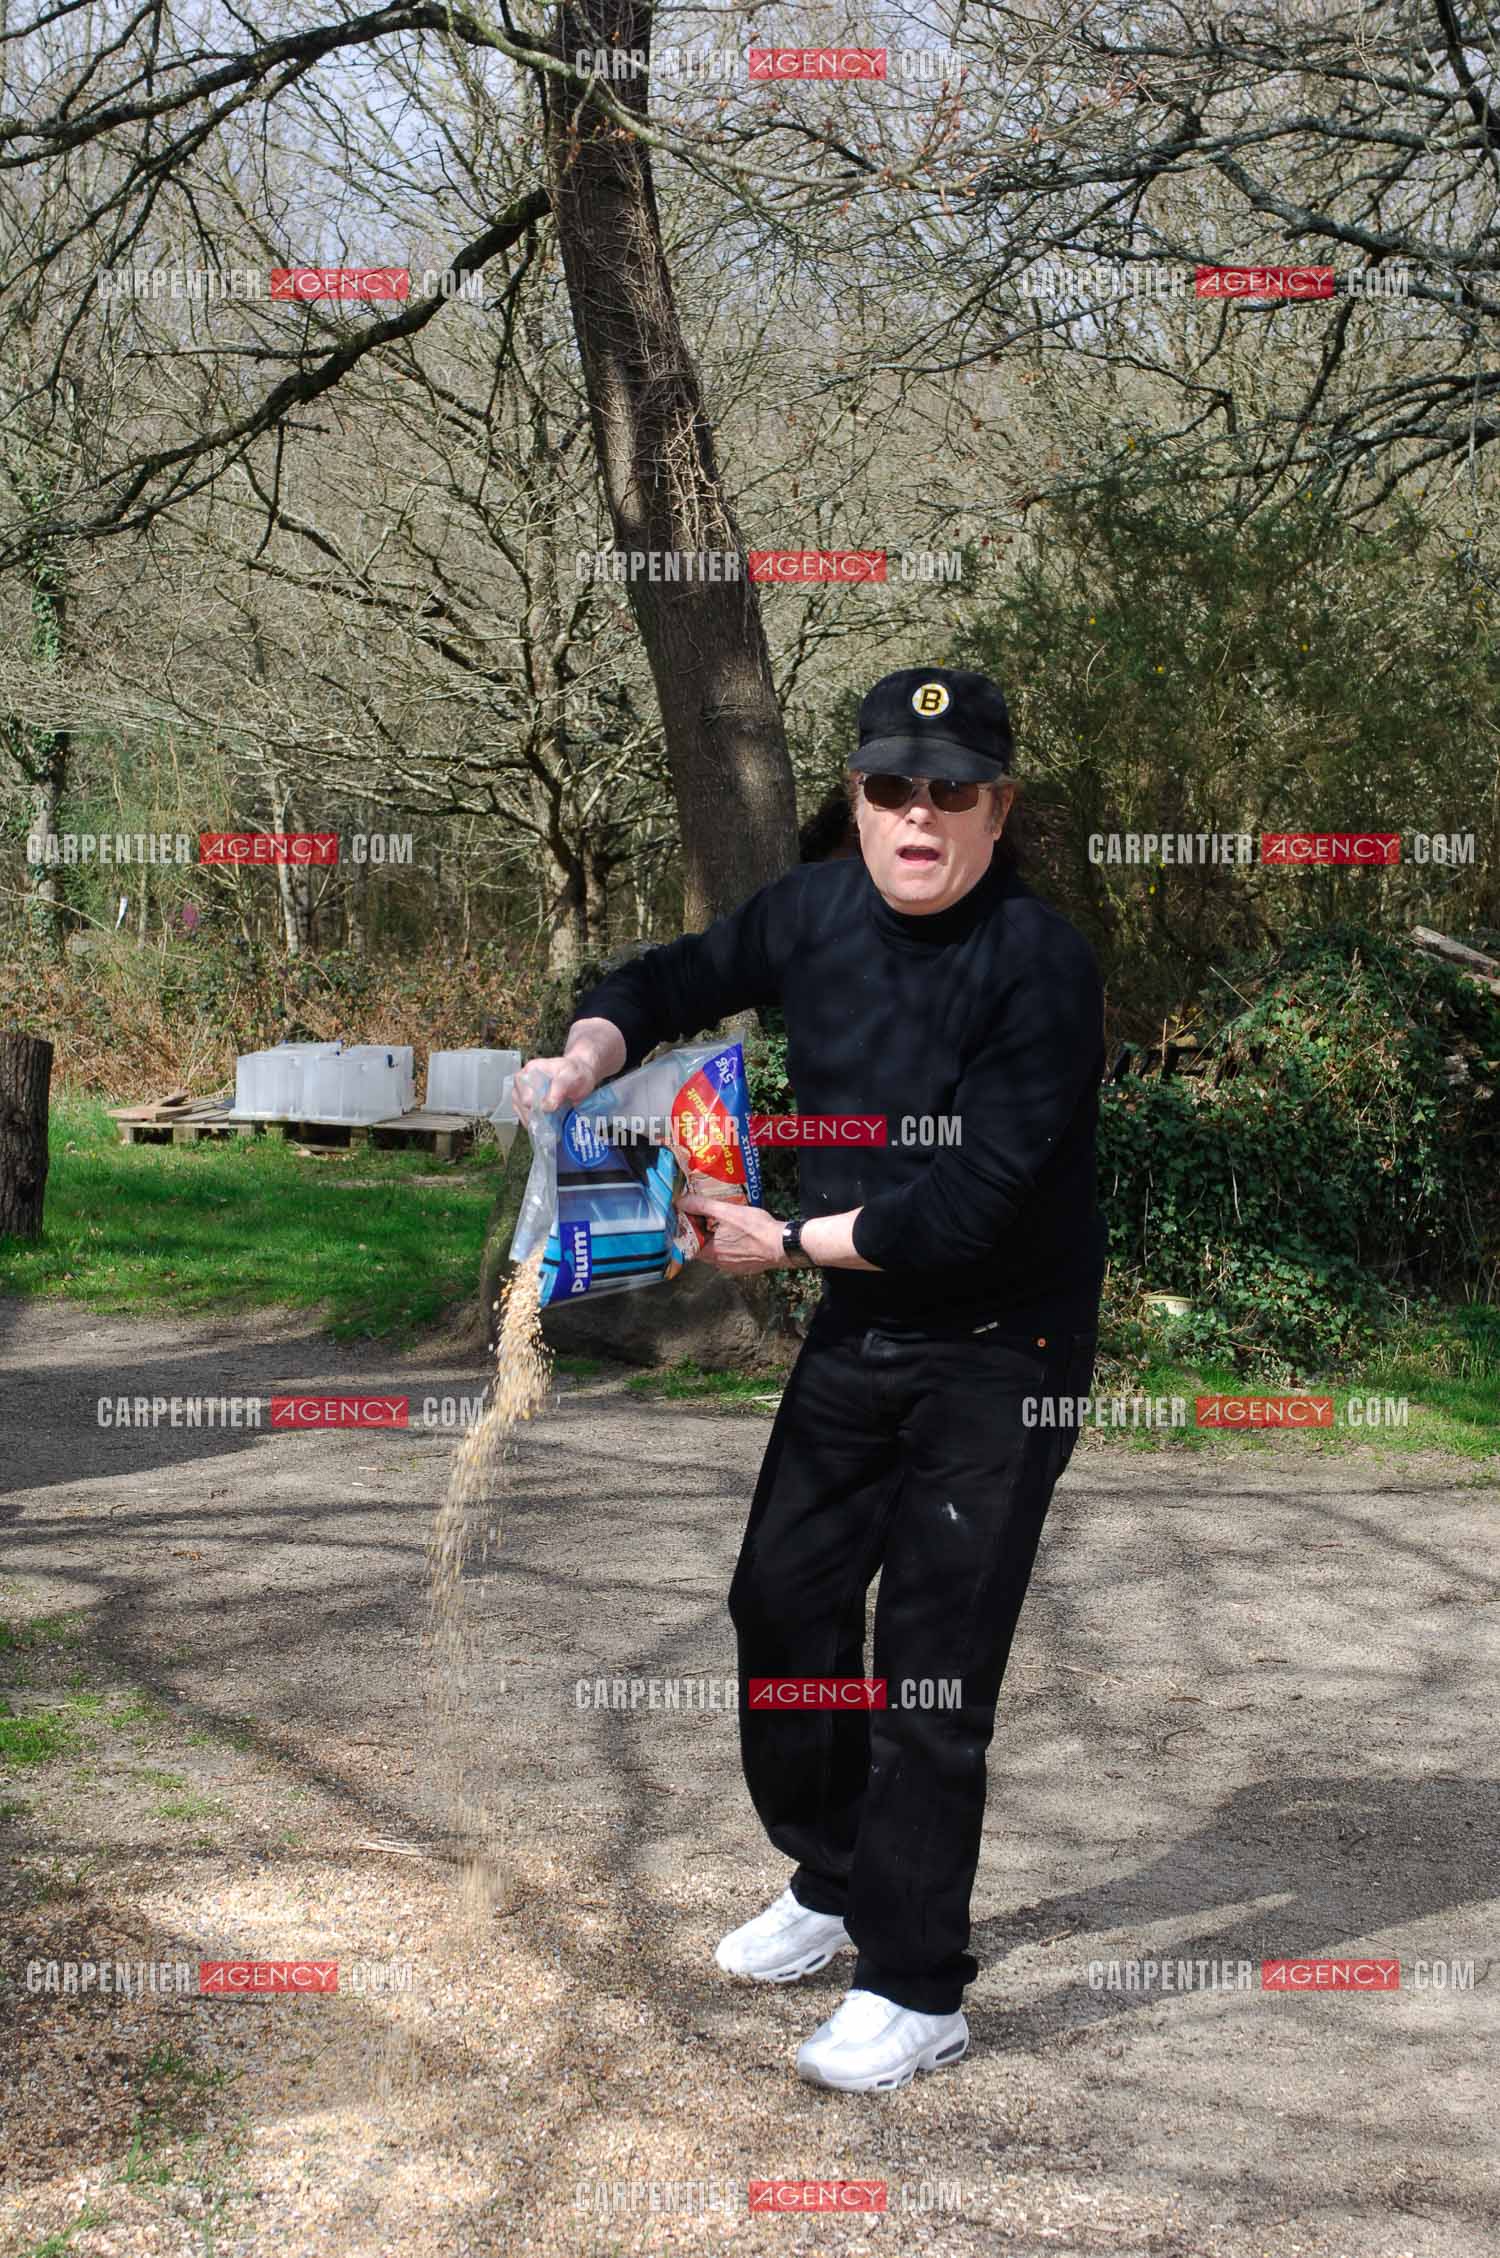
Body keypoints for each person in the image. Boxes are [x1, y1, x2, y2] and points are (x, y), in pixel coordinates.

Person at [515, 665, 1105, 2094]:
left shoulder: (1039, 963)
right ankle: (835, 1876)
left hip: (1002, 1348)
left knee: (932, 1664)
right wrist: (589, 1052)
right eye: (892, 786)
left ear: (999, 807)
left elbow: (972, 1202)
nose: (919, 814)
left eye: (951, 790)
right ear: (856, 797)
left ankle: (916, 1983)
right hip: (861, 1324)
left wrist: (779, 1242)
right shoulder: (817, 912)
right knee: (781, 1600)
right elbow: (671, 978)